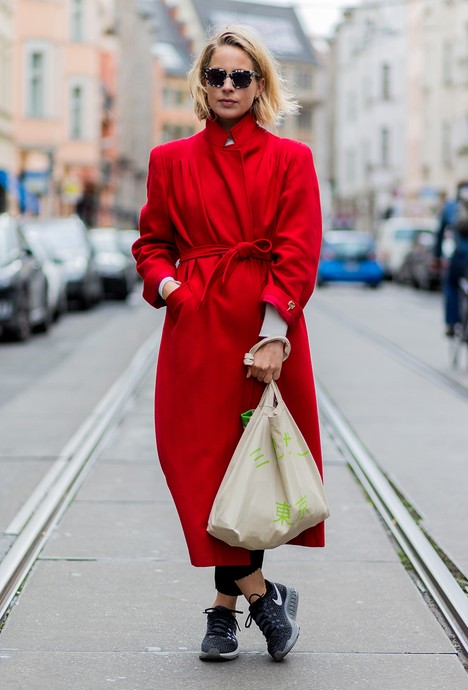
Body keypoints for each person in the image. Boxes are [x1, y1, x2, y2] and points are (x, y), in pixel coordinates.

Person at [133, 26, 324, 663]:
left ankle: (224, 613)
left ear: (260, 84)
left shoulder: (292, 160)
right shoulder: (169, 161)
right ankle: (263, 595)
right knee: (197, 465)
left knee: (250, 470)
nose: (228, 87)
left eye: (241, 76)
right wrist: (172, 288)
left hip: (262, 330)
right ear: (202, 84)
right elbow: (151, 243)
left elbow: (299, 253)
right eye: (217, 76)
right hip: (195, 331)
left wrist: (276, 335)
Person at [434, 181, 468, 336]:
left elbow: (439, 234)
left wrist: (437, 257)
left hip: (460, 258)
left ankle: (451, 323)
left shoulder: (450, 206)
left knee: (451, 284)